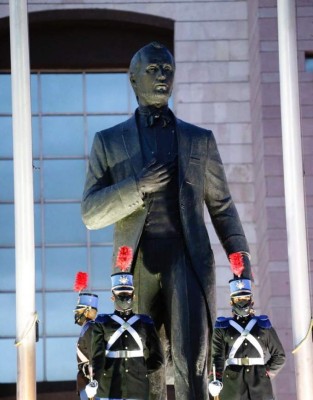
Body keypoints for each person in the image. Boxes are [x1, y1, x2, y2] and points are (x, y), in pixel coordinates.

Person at [81, 41, 253, 400]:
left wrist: (242, 263)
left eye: (167, 70)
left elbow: (222, 207)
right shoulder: (108, 142)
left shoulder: (198, 140)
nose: (162, 76)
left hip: (187, 259)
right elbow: (91, 213)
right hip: (136, 264)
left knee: (192, 358)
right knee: (144, 364)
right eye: (153, 69)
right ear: (133, 79)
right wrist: (136, 186)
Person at [86, 272, 164, 400]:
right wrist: (94, 380)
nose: (124, 297)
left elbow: (158, 357)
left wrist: (142, 371)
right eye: (120, 294)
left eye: (127, 294)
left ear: (133, 296)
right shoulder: (102, 322)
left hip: (137, 389)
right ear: (112, 297)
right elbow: (98, 356)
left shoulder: (145, 322)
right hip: (109, 388)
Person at [208, 279, 286, 400]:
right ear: (231, 302)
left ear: (251, 301)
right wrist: (214, 380)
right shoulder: (222, 327)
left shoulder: (263, 325)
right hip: (233, 387)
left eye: (245, 298)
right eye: (238, 299)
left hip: (260, 386)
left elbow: (279, 356)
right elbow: (217, 357)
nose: (242, 302)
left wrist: (266, 373)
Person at [74, 286, 100, 400]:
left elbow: (95, 357)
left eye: (79, 311)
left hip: (90, 382)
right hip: (85, 381)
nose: (76, 314)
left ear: (87, 311)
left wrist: (93, 383)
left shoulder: (90, 329)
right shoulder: (88, 328)